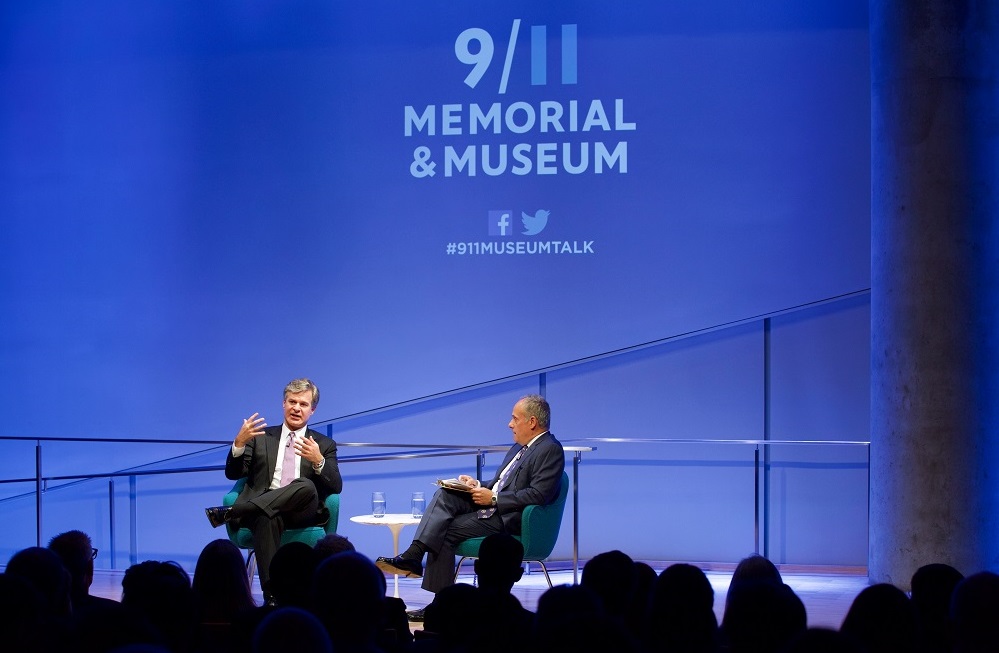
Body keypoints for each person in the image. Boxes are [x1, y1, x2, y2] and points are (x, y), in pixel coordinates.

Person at [375, 394, 564, 598]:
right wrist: (477, 485)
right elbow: (504, 483)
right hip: (494, 507)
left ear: (532, 422)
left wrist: (494, 499)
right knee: (446, 493)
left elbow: (539, 494)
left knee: (446, 530)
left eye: (515, 419)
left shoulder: (550, 449)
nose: (510, 424)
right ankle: (414, 553)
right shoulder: (519, 448)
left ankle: (441, 601)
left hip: (510, 517)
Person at [204, 377, 343, 596]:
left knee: (306, 486)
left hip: (301, 510)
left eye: (303, 404)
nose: (296, 408)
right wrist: (238, 445)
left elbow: (336, 486)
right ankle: (272, 597)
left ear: (312, 410)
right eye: (292, 402)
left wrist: (319, 461)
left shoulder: (323, 444)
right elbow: (233, 474)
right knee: (266, 516)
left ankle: (235, 511)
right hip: (265, 509)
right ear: (283, 404)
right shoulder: (260, 437)